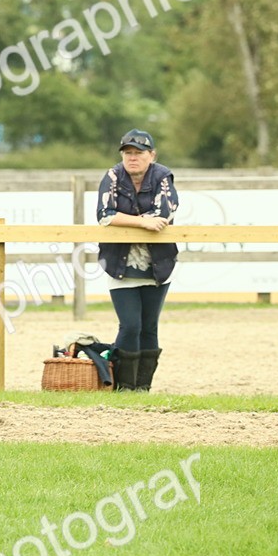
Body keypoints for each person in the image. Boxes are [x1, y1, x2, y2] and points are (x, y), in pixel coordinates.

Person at [96, 129, 179, 392]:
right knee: (130, 325)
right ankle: (124, 387)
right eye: (127, 153)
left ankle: (142, 388)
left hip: (157, 262)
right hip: (119, 262)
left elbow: (164, 213)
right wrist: (142, 221)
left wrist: (130, 218)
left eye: (139, 153)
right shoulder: (111, 176)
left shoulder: (163, 176)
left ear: (151, 155)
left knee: (149, 326)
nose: (132, 158)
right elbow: (105, 214)